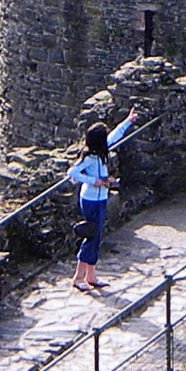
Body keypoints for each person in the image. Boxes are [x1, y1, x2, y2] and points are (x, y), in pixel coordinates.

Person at [68, 106, 140, 290]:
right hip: (90, 200)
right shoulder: (89, 157)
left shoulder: (101, 150)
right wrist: (94, 181)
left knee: (96, 236)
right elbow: (73, 172)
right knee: (91, 237)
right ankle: (78, 278)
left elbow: (116, 135)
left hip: (100, 199)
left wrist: (128, 121)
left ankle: (91, 276)